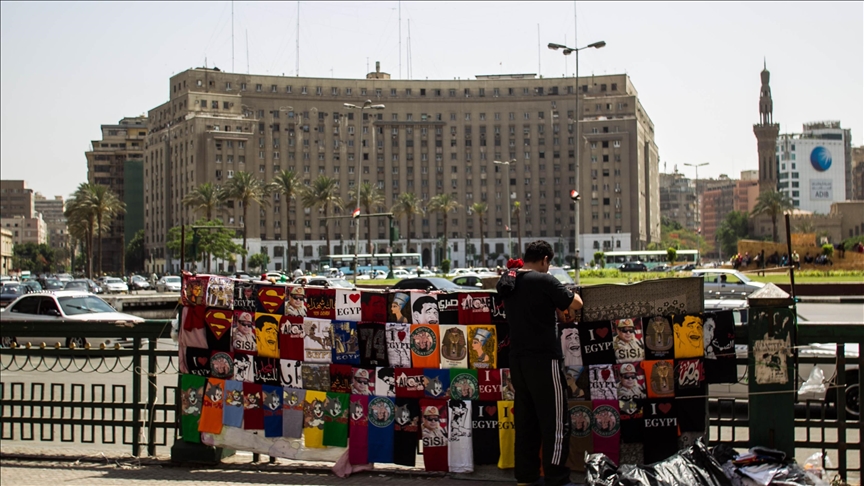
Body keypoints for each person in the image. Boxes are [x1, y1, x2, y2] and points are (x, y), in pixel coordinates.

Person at [496, 240, 582, 486]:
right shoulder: (544, 280)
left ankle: (526, 477)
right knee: (556, 422)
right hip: (544, 359)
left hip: (518, 360)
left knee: (526, 422)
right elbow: (576, 303)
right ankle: (557, 478)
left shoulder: (510, 280)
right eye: (549, 263)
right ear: (545, 260)